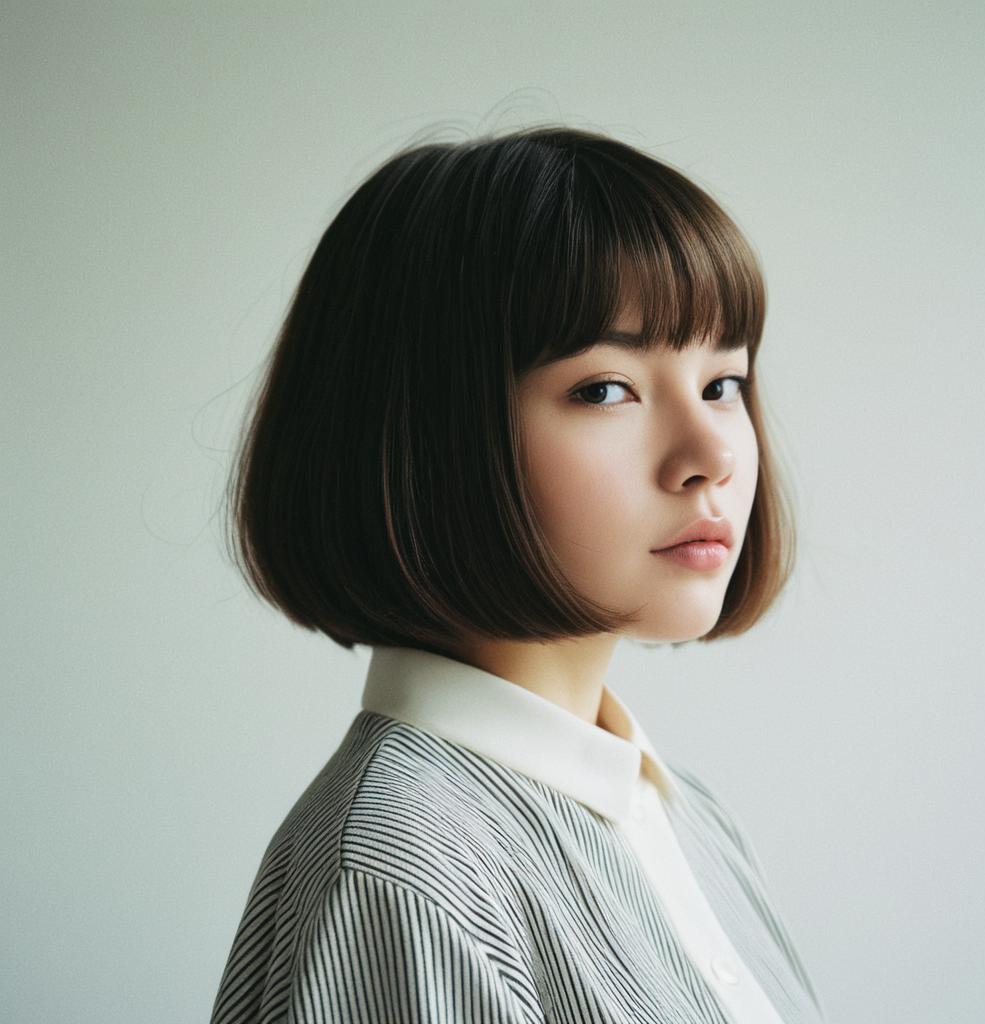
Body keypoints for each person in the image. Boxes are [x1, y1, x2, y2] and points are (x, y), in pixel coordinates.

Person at [209, 124, 827, 1023]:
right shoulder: (405, 875)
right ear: (426, 438)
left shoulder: (680, 815)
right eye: (605, 388)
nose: (710, 456)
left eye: (722, 383)